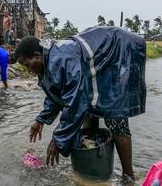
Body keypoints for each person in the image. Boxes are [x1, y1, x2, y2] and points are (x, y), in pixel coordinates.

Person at [14, 26, 146, 181]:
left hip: (120, 50)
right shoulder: (47, 62)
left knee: (115, 115)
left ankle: (128, 177)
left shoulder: (61, 59)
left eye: (27, 65)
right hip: (99, 59)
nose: (28, 70)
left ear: (37, 55)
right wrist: (40, 120)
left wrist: (58, 138)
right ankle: (90, 170)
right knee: (88, 111)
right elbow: (56, 93)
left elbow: (76, 99)